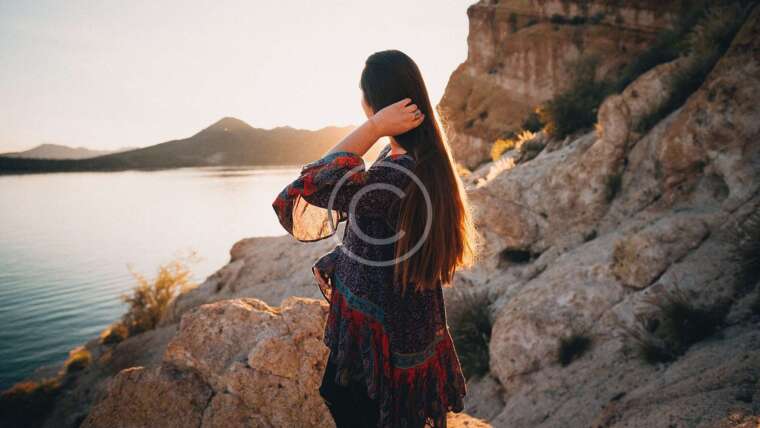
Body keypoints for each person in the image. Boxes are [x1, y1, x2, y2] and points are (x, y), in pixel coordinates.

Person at [272, 49, 477, 428]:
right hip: (402, 320)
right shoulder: (416, 159)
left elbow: (307, 187)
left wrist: (374, 126)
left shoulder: (395, 175)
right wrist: (342, 258)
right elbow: (383, 231)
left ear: (372, 103)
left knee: (357, 410)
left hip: (385, 331)